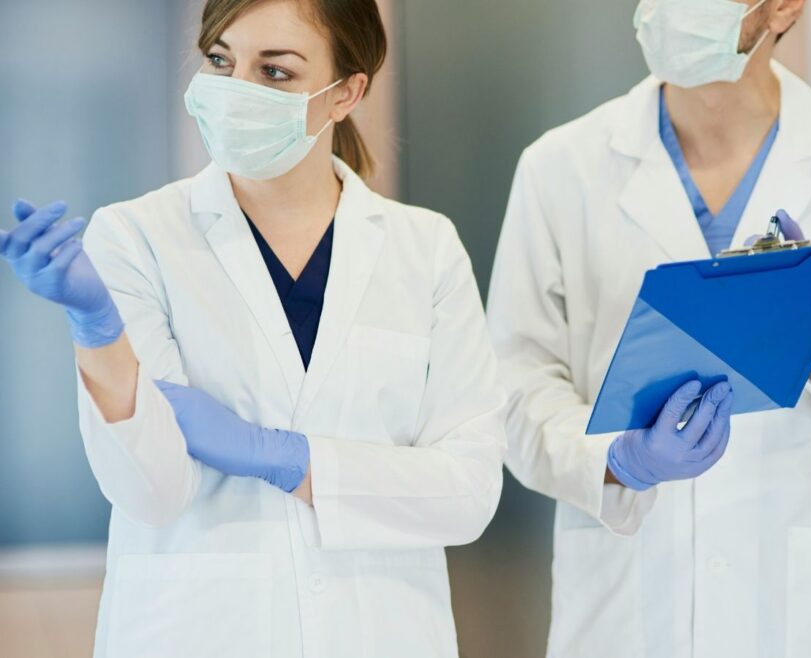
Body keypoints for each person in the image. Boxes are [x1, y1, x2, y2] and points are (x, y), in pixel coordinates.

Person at [0, 0, 505, 656]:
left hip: (379, 630)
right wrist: (97, 328)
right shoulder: (137, 237)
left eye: (275, 72)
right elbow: (151, 493)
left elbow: (467, 493)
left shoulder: (425, 249)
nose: (236, 91)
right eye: (220, 60)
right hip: (199, 630)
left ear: (346, 93)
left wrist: (282, 455)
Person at [486, 0, 811, 656]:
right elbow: (511, 393)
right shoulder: (558, 168)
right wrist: (618, 463)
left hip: (810, 617)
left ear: (783, 7)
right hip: (629, 607)